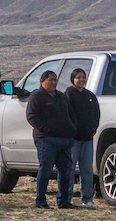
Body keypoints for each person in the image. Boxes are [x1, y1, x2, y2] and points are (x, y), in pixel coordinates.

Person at [27, 69, 76, 208]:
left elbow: (71, 114)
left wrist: (72, 129)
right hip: (46, 139)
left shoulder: (61, 96)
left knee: (66, 171)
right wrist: (48, 131)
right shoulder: (36, 96)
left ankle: (63, 201)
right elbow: (32, 117)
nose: (54, 82)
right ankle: (41, 201)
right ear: (42, 81)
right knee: (46, 170)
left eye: (55, 80)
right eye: (50, 80)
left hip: (65, 140)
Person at [64, 67, 100, 207]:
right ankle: (66, 198)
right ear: (73, 79)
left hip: (88, 139)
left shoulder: (90, 95)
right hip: (73, 140)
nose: (81, 80)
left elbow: (96, 114)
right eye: (78, 77)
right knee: (69, 170)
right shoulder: (69, 94)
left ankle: (87, 199)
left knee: (87, 171)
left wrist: (92, 129)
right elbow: (67, 115)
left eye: (83, 77)